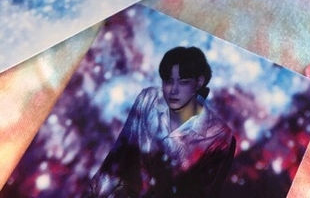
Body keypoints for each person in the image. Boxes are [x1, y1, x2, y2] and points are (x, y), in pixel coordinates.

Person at [86, 46, 236, 198]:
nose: (173, 90)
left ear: (199, 83)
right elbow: (117, 159)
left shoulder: (220, 137)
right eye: (168, 81)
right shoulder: (148, 100)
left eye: (183, 82)